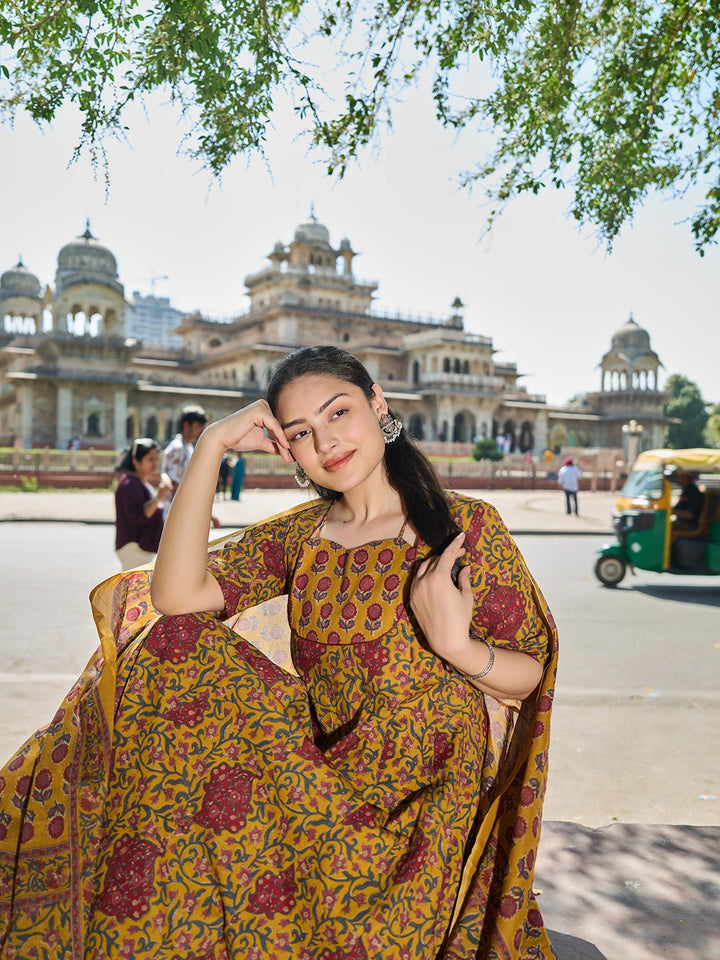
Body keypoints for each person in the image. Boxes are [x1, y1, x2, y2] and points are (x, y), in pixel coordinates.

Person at [0, 346, 558, 960]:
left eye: (339, 412)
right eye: (302, 433)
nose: (327, 442)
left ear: (379, 404)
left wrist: (457, 646)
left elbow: (527, 673)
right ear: (287, 449)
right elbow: (177, 594)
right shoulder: (303, 537)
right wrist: (211, 445)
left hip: (423, 808)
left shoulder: (464, 527)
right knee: (171, 645)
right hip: (319, 783)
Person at [113, 437, 173, 569]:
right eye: (150, 459)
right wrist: (158, 498)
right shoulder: (129, 484)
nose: (155, 464)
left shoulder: (140, 482)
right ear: (136, 462)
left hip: (141, 550)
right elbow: (138, 516)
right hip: (134, 550)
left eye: (156, 459)